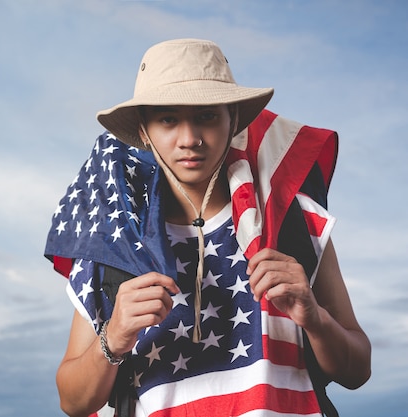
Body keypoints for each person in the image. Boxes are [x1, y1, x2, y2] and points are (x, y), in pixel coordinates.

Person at [44, 39, 371, 417]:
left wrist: (313, 316)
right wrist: (114, 335)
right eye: (168, 119)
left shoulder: (293, 219)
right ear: (144, 130)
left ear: (233, 120)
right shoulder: (116, 240)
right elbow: (73, 401)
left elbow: (357, 371)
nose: (190, 140)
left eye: (206, 116)